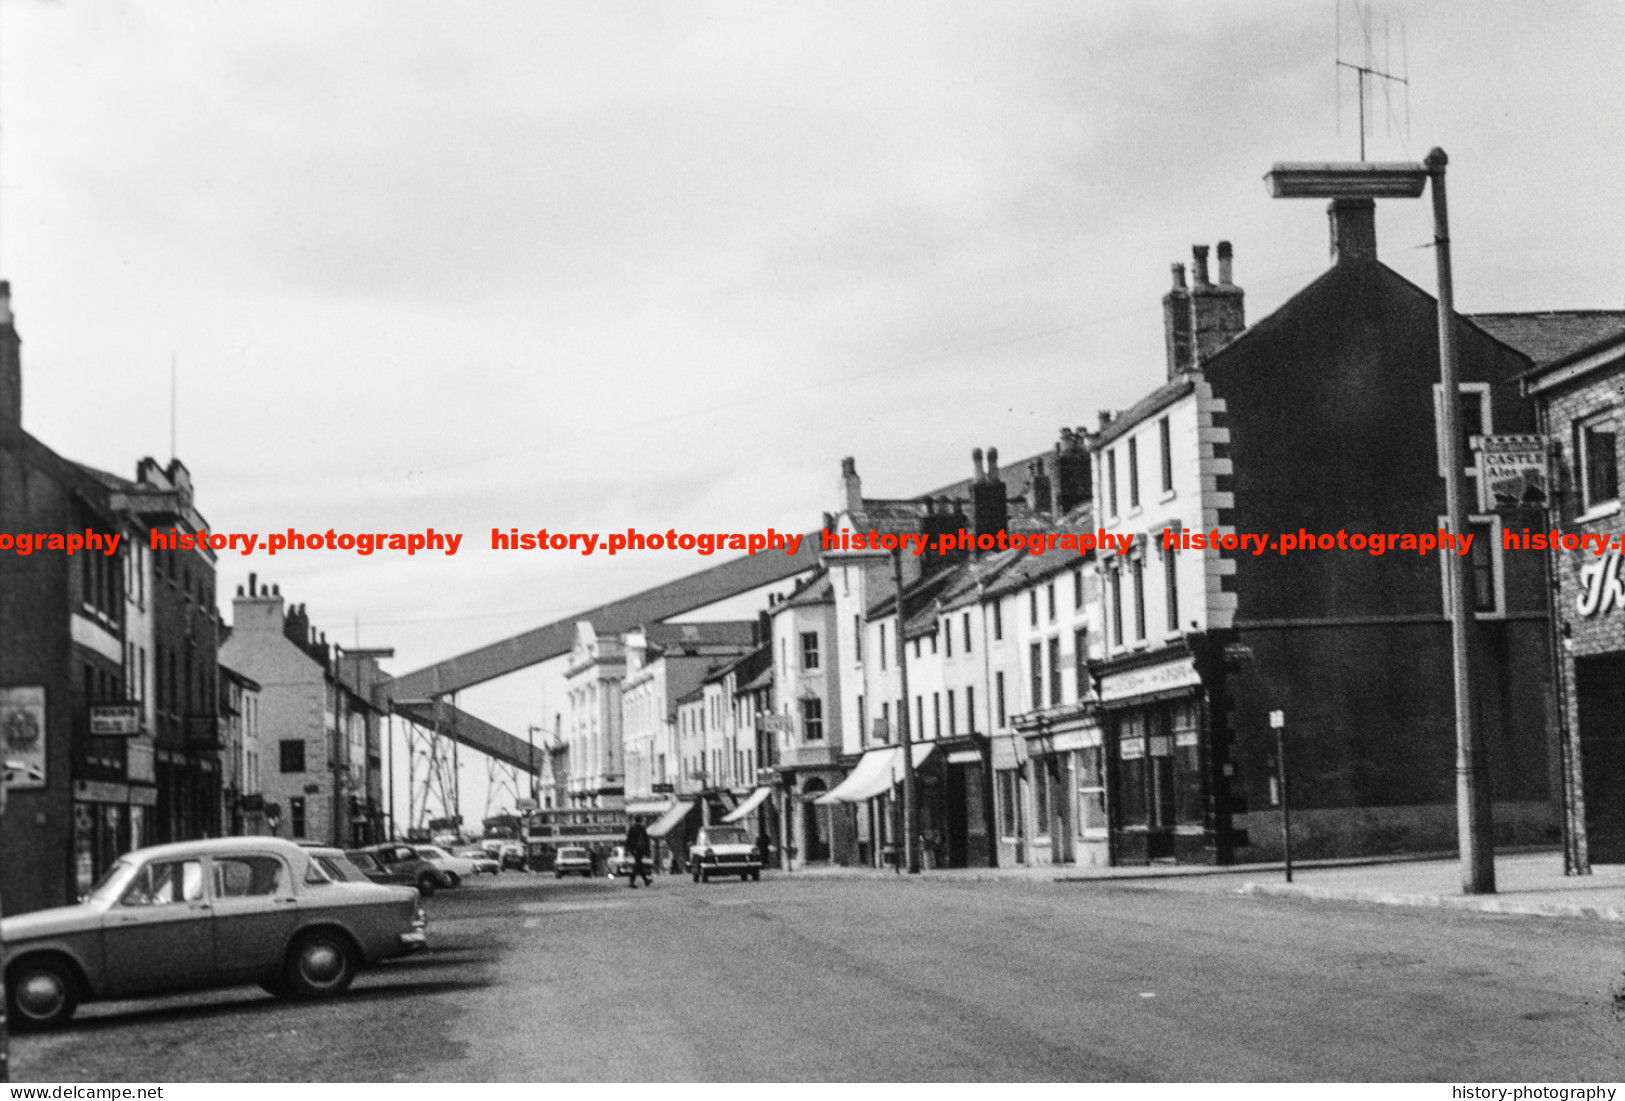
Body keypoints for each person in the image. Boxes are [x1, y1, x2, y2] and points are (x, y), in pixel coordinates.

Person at [625, 816, 652, 888]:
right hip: (640, 848)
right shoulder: (642, 828)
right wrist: (648, 849)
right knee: (638, 865)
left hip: (634, 849)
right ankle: (632, 882)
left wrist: (627, 849)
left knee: (639, 864)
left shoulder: (632, 828)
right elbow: (646, 839)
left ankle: (645, 880)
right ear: (640, 820)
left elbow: (628, 839)